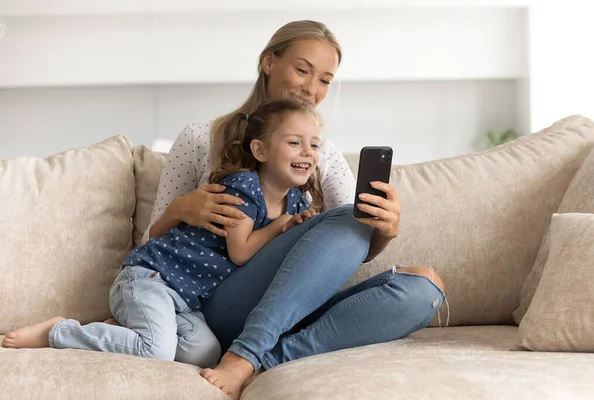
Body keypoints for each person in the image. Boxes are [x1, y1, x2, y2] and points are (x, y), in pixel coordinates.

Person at [147, 20, 447, 400]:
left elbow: (349, 242)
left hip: (295, 310)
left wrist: (384, 230)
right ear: (268, 62)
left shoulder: (320, 152)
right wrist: (180, 208)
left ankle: (261, 361)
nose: (311, 89)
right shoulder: (199, 137)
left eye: (324, 79)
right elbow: (149, 246)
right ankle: (244, 352)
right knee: (345, 218)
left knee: (424, 287)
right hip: (220, 304)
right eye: (302, 70)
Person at [1, 98, 325, 370]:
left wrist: (294, 225)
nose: (308, 152)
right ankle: (58, 332)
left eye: (314, 145)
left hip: (186, 301)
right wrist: (279, 226)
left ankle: (126, 330)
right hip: (152, 278)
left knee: (206, 354)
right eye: (295, 143)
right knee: (155, 351)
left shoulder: (294, 201)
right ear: (260, 150)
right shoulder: (243, 190)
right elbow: (241, 251)